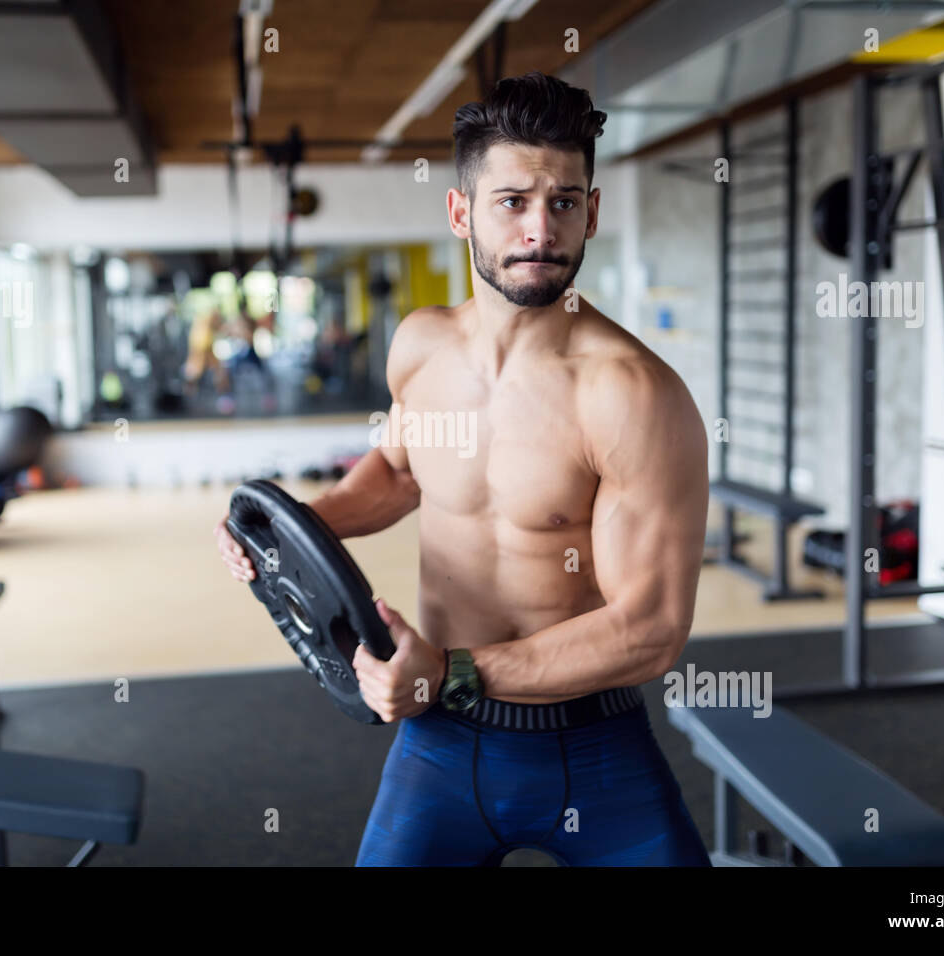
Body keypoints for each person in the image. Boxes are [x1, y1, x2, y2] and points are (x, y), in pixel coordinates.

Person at [215, 72, 710, 866]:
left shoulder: (635, 396)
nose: (540, 231)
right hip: (440, 745)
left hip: (593, 748)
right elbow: (400, 475)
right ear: (460, 212)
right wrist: (290, 530)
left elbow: (649, 630)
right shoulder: (422, 345)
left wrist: (449, 673)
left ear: (593, 210)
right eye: (512, 201)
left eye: (564, 202)